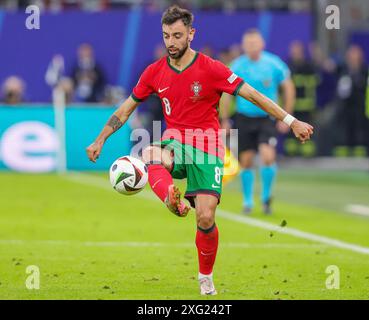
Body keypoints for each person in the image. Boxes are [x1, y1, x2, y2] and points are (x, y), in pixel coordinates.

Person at [86, 6, 313, 295]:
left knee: (205, 218)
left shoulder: (211, 68)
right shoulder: (154, 72)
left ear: (191, 34)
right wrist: (100, 138)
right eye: (167, 35)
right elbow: (126, 107)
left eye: (178, 35)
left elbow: (254, 95)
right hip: (175, 143)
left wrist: (291, 121)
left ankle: (205, 277)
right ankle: (171, 198)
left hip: (207, 147)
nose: (171, 42)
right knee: (149, 153)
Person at [220, 29, 296, 215]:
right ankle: (247, 201)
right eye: (249, 44)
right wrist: (225, 119)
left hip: (266, 118)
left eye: (255, 43)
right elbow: (226, 94)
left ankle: (266, 198)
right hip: (244, 118)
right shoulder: (237, 66)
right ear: (244, 46)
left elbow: (288, 87)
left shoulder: (274, 64)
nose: (252, 47)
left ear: (262, 44)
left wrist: (286, 116)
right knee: (246, 161)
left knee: (267, 155)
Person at [336, 45, 368, 155]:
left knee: (360, 129)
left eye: (355, 54)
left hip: (360, 107)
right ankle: (343, 150)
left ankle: (360, 151)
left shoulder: (365, 71)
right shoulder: (343, 70)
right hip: (345, 107)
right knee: (344, 129)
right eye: (351, 55)